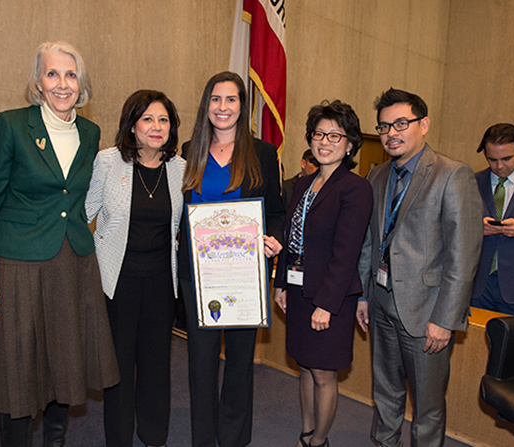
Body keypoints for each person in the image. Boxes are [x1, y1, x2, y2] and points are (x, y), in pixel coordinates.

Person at [0, 41, 119, 447]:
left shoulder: (89, 132)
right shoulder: (11, 125)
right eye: (52, 74)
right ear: (38, 81)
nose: (62, 83)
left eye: (70, 75)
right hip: (19, 263)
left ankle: (55, 442)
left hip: (72, 260)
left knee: (65, 362)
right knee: (19, 369)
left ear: (81, 82)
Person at [356, 88, 483, 447]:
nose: (391, 133)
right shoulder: (377, 176)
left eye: (401, 123)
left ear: (423, 124)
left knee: (427, 408)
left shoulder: (452, 175)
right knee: (385, 395)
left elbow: (464, 255)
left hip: (427, 313)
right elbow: (370, 243)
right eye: (383, 127)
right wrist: (363, 297)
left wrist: (445, 319)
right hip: (381, 305)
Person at [178, 71, 285, 447]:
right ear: (206, 105)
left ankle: (234, 439)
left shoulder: (264, 153)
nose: (223, 107)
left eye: (231, 99)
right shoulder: (189, 149)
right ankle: (203, 440)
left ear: (243, 106)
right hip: (198, 275)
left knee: (240, 363)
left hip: (244, 275)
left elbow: (276, 210)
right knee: (201, 364)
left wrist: (274, 239)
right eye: (216, 99)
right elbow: (179, 213)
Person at [85, 90, 185, 447]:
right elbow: (85, 215)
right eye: (147, 119)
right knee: (119, 368)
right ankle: (119, 439)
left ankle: (154, 436)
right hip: (118, 283)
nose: (156, 127)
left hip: (161, 283)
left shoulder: (180, 168)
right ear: (132, 124)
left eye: (163, 120)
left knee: (157, 367)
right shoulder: (108, 162)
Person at [273, 100, 373, 447]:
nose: (325, 142)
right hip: (300, 293)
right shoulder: (304, 184)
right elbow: (290, 238)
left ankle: (318, 441)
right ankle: (305, 431)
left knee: (323, 373)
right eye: (319, 134)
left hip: (330, 299)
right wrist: (281, 283)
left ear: (349, 144)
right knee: (303, 365)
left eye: (335, 135)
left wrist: (326, 305)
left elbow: (347, 254)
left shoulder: (356, 188)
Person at [470, 123, 514, 315]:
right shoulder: (472, 181)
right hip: (478, 287)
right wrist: (474, 228)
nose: (500, 166)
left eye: (507, 158)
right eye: (492, 159)